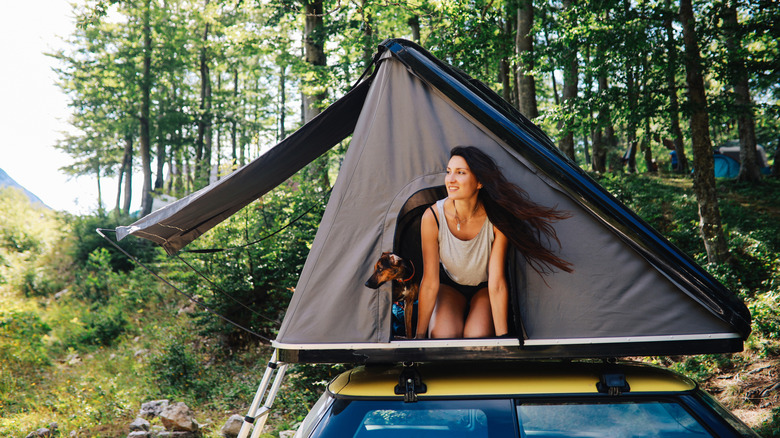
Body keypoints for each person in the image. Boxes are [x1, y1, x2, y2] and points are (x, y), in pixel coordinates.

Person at [415, 146, 573, 339]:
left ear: (479, 182)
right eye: (449, 172)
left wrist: (502, 339)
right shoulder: (432, 217)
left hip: (484, 288)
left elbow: (497, 282)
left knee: (477, 338)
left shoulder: (496, 219)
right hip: (450, 285)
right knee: (443, 336)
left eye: (460, 173)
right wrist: (419, 339)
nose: (451, 179)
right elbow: (430, 282)